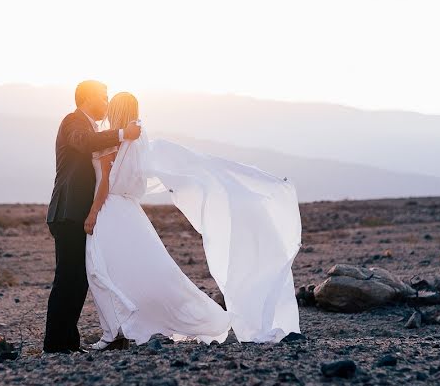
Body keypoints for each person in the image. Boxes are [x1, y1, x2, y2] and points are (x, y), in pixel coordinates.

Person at [83, 92, 301, 350]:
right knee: (137, 271)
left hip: (111, 211)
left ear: (116, 110)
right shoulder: (135, 139)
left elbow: (106, 181)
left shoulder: (116, 141)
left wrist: (93, 212)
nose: (106, 107)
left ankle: (115, 332)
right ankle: (127, 327)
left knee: (100, 269)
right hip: (129, 211)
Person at [42, 80, 141, 354]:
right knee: (67, 278)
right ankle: (54, 345)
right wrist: (123, 133)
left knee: (78, 279)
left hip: (77, 213)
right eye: (103, 97)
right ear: (87, 99)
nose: (107, 102)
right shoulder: (73, 122)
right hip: (67, 212)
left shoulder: (91, 127)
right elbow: (84, 143)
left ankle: (67, 343)